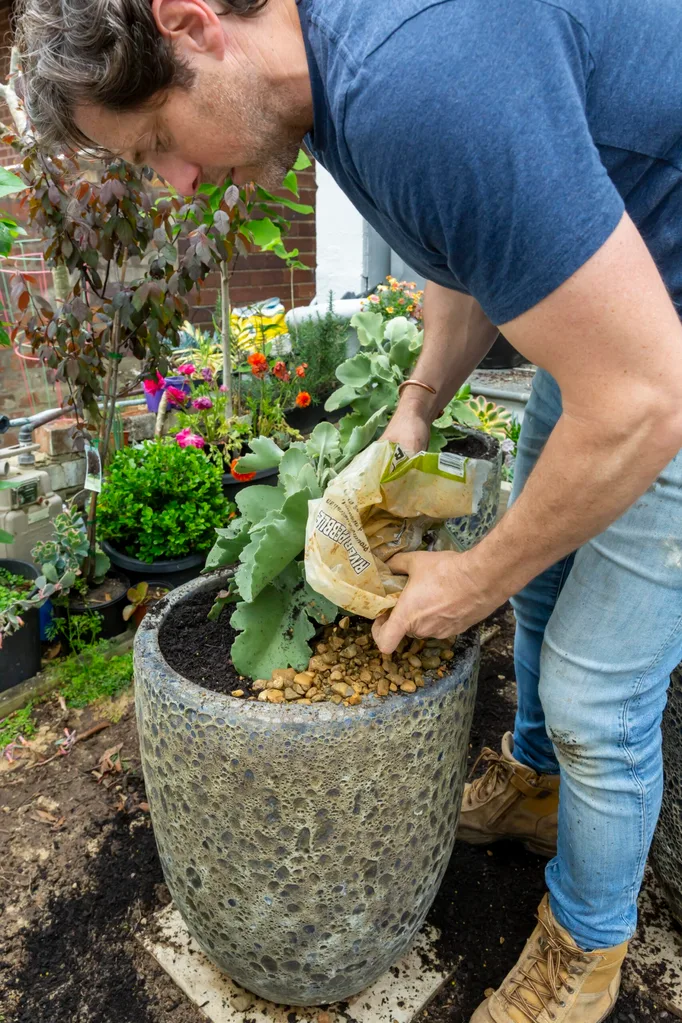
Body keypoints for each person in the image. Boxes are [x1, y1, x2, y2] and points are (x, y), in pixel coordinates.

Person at [15, 0, 682, 1019]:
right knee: (545, 584)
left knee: (600, 691)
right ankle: (541, 793)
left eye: (156, 142)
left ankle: (586, 947)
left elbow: (642, 399)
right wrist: (416, 404)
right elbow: (477, 250)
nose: (178, 184)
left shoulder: (411, 78)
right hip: (619, 295)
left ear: (192, 23)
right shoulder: (342, 84)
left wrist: (473, 577)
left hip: (658, 344)